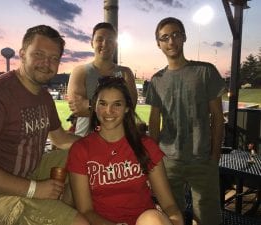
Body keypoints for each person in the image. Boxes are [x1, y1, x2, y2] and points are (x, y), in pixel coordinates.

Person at [0, 25, 89, 225]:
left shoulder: (44, 97)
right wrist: (34, 189)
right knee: (79, 224)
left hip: (28, 172)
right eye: (39, 54)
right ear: (22, 54)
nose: (46, 63)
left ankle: (64, 208)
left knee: (81, 156)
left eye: (54, 58)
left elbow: (61, 139)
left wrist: (103, 146)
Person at [66, 76, 184, 225]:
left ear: (127, 108)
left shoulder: (145, 146)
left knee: (152, 219)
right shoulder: (81, 150)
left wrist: (174, 219)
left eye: (117, 104)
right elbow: (86, 211)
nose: (109, 111)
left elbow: (169, 205)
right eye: (103, 103)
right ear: (94, 107)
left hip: (144, 221)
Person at [146, 17, 226, 225]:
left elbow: (218, 117)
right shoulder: (156, 80)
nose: (171, 41)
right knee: (172, 216)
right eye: (165, 37)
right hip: (167, 160)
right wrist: (153, 160)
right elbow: (154, 122)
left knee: (208, 216)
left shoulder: (205, 71)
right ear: (158, 44)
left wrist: (215, 155)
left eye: (175, 35)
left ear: (184, 37)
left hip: (202, 158)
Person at [68, 22, 138, 137]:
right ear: (92, 43)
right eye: (100, 39)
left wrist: (90, 105)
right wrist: (116, 106)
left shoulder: (126, 73)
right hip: (86, 141)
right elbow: (77, 108)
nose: (105, 44)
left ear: (115, 45)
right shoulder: (80, 72)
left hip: (119, 141)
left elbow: (129, 109)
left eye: (110, 40)